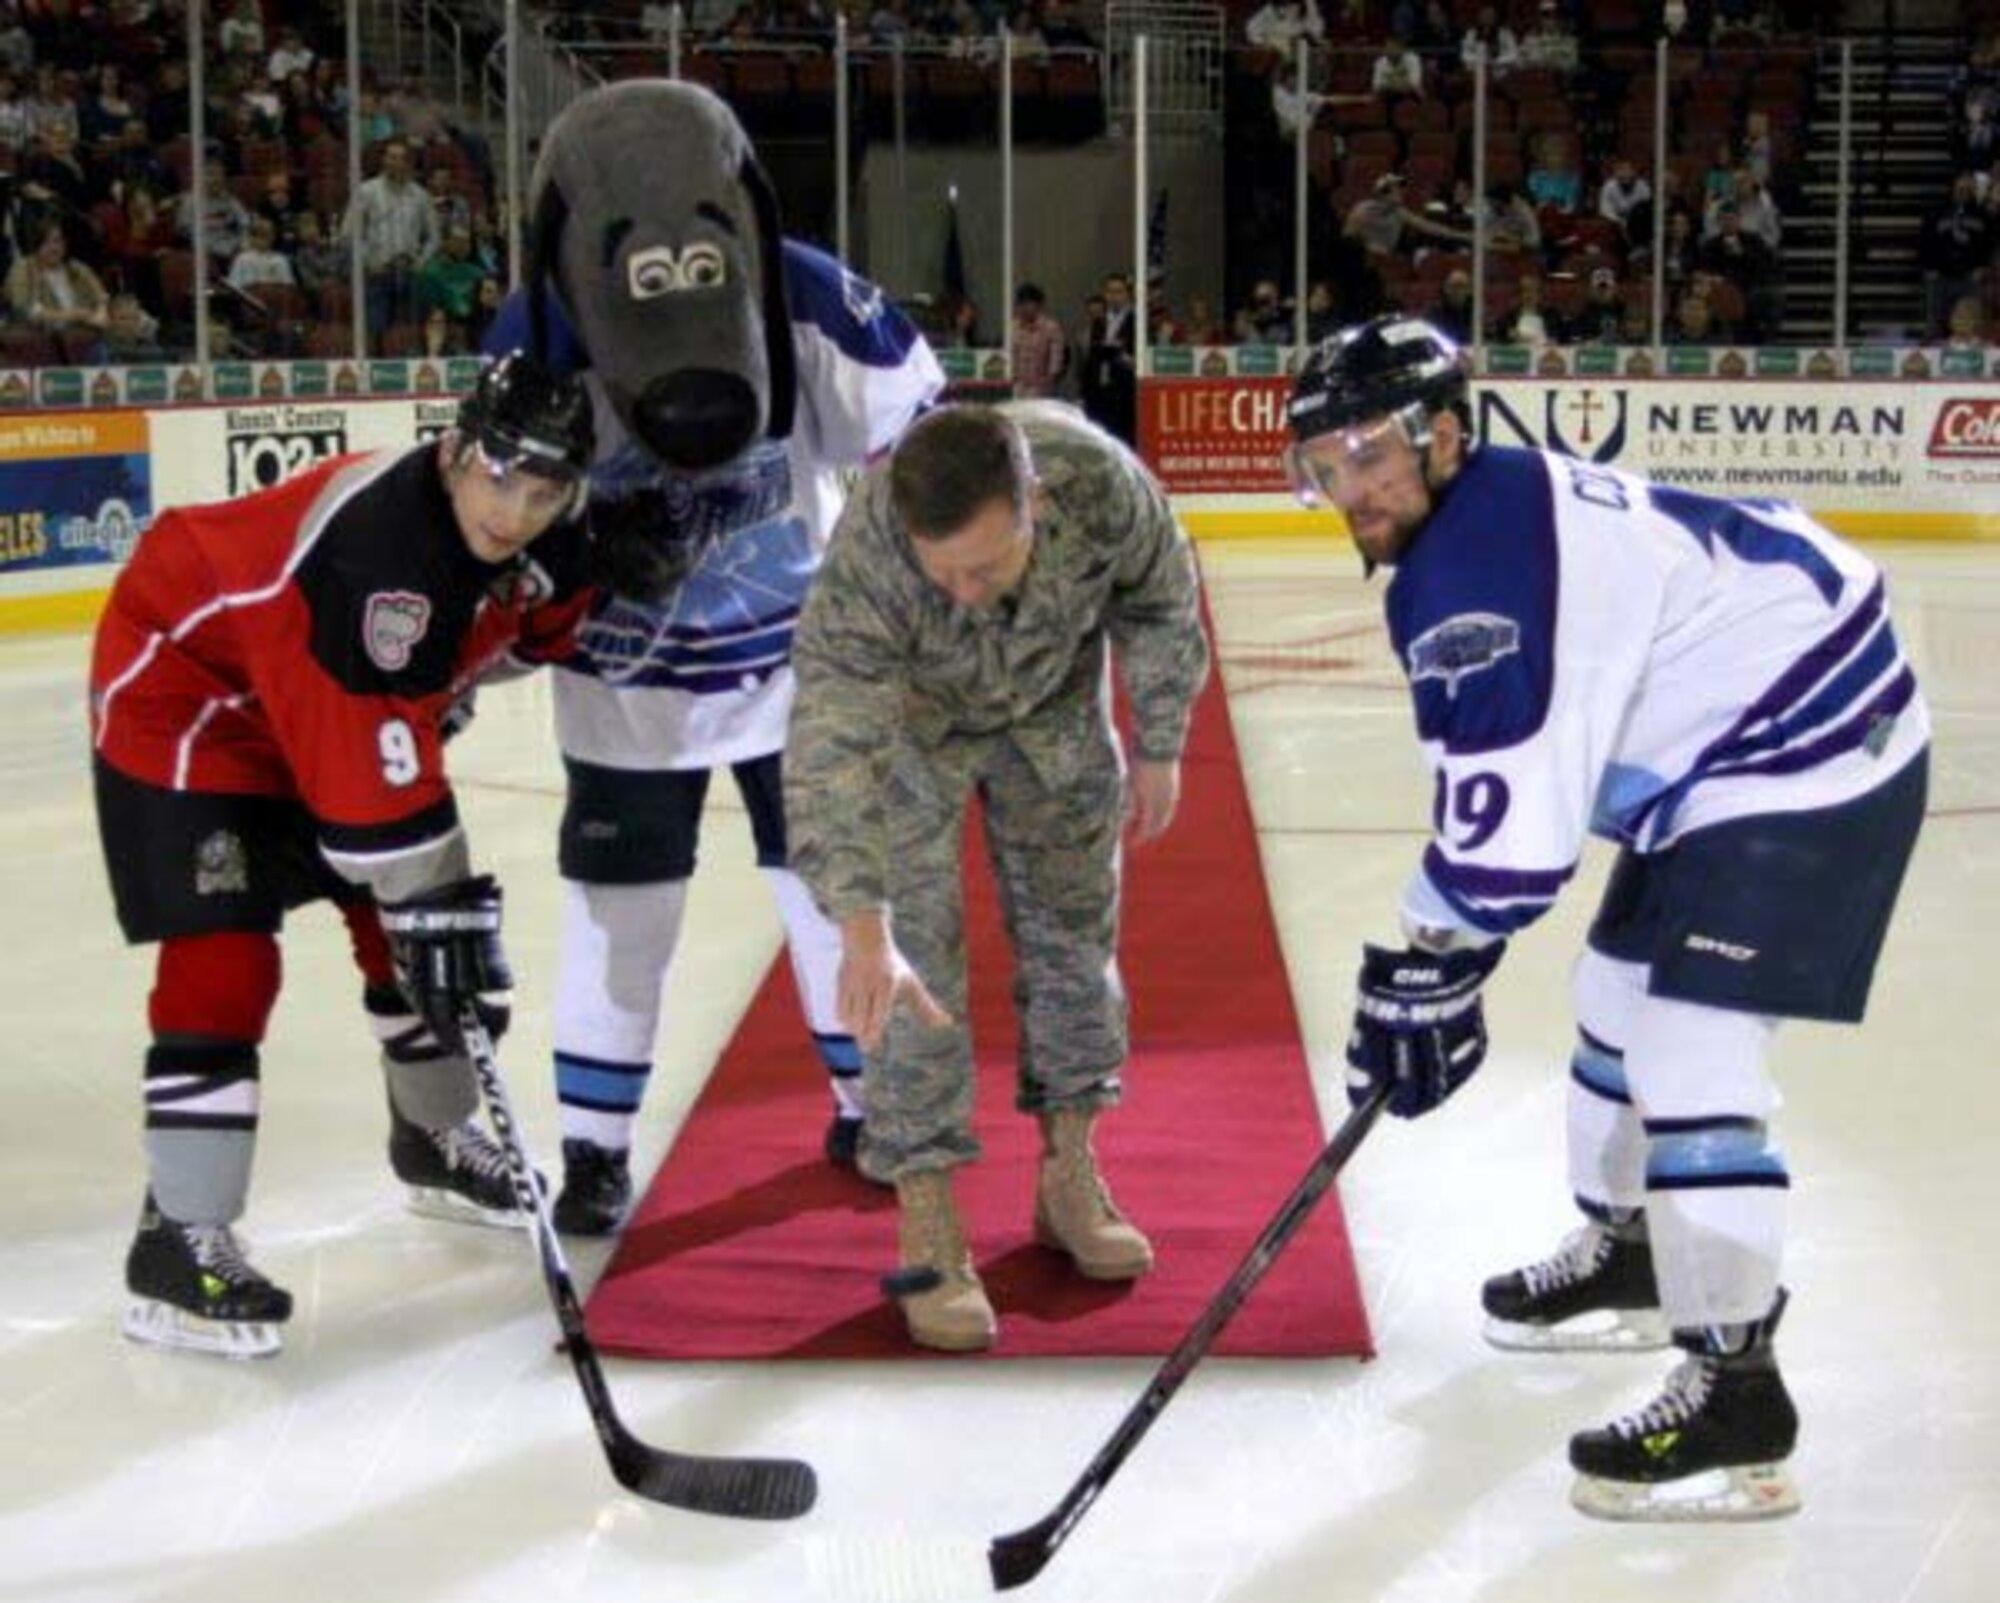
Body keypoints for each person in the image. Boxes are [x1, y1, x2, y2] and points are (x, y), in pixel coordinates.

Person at [1282, 317, 1929, 1520]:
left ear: (1440, 434)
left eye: (1364, 453)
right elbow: (1511, 825)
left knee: (1690, 1049)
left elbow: (1509, 857)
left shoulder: (1477, 573)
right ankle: (1631, 1250)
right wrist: (1431, 964)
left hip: (1810, 744)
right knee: (1611, 1000)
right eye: (1319, 465)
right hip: (1729, 742)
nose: (1342, 489)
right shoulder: (1471, 522)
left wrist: (1423, 962)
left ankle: (1738, 1385)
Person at [483, 81, 944, 1234]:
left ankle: (863, 1097)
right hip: (623, 683)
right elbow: (494, 499)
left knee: (831, 896)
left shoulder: (799, 284)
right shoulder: (539, 322)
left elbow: (915, 426)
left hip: (800, 670)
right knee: (620, 916)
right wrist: (578, 549)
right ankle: (593, 1149)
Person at [89, 353, 598, 1360]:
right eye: (502, 478)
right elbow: (378, 814)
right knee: (229, 956)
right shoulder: (374, 561)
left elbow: (526, 632)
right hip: (190, 695)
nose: (517, 511)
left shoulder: (527, 533)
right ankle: (177, 1233)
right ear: (455, 451)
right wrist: (436, 909)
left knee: (400, 929)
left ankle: (433, 1138)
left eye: (544, 493)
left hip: (303, 687)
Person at [784, 403, 1211, 1352]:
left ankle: (1070, 1174)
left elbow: (1162, 593)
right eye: (946, 575)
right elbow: (831, 737)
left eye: (987, 565)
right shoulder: (871, 554)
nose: (967, 591)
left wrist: (1162, 739)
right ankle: (930, 1215)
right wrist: (862, 924)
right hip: (916, 734)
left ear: (1037, 505)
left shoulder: (1100, 483)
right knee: (914, 971)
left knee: (1074, 942)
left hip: (1054, 711)